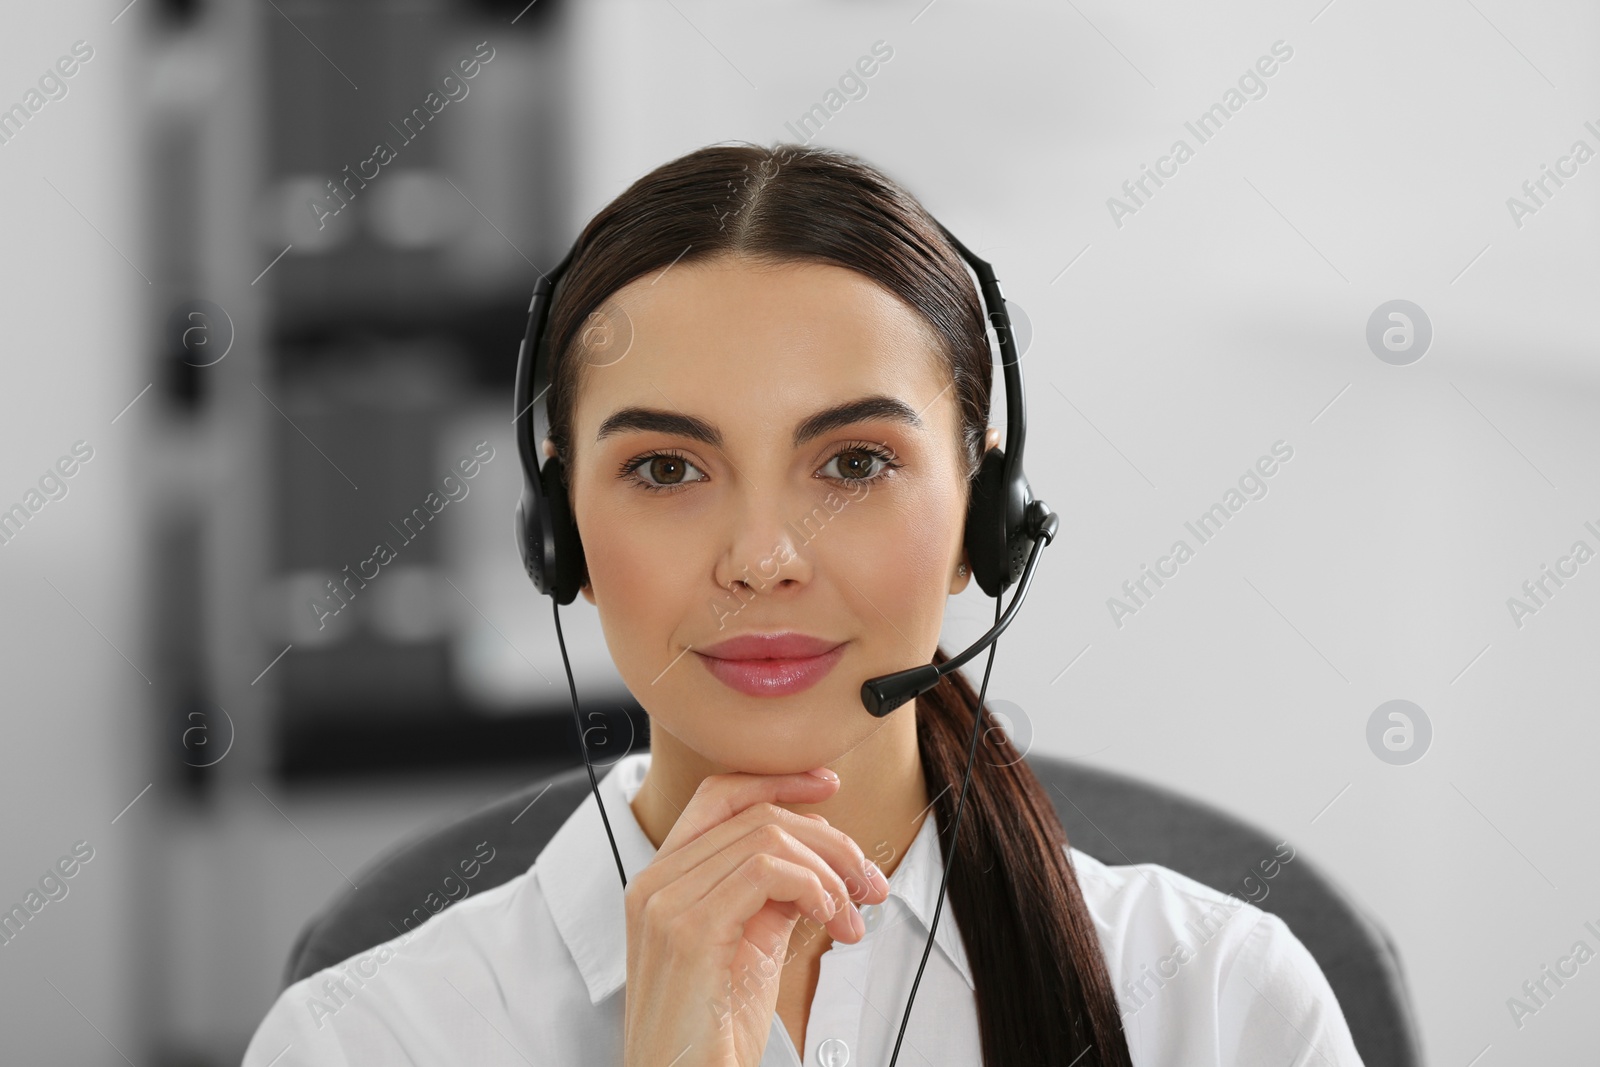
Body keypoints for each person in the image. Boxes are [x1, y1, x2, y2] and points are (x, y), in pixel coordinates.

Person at [242, 141, 1365, 1066]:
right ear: (559, 530)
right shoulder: (369, 1040)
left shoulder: (1220, 1004)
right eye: (668, 469)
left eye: (855, 463)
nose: (765, 559)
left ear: (986, 518)